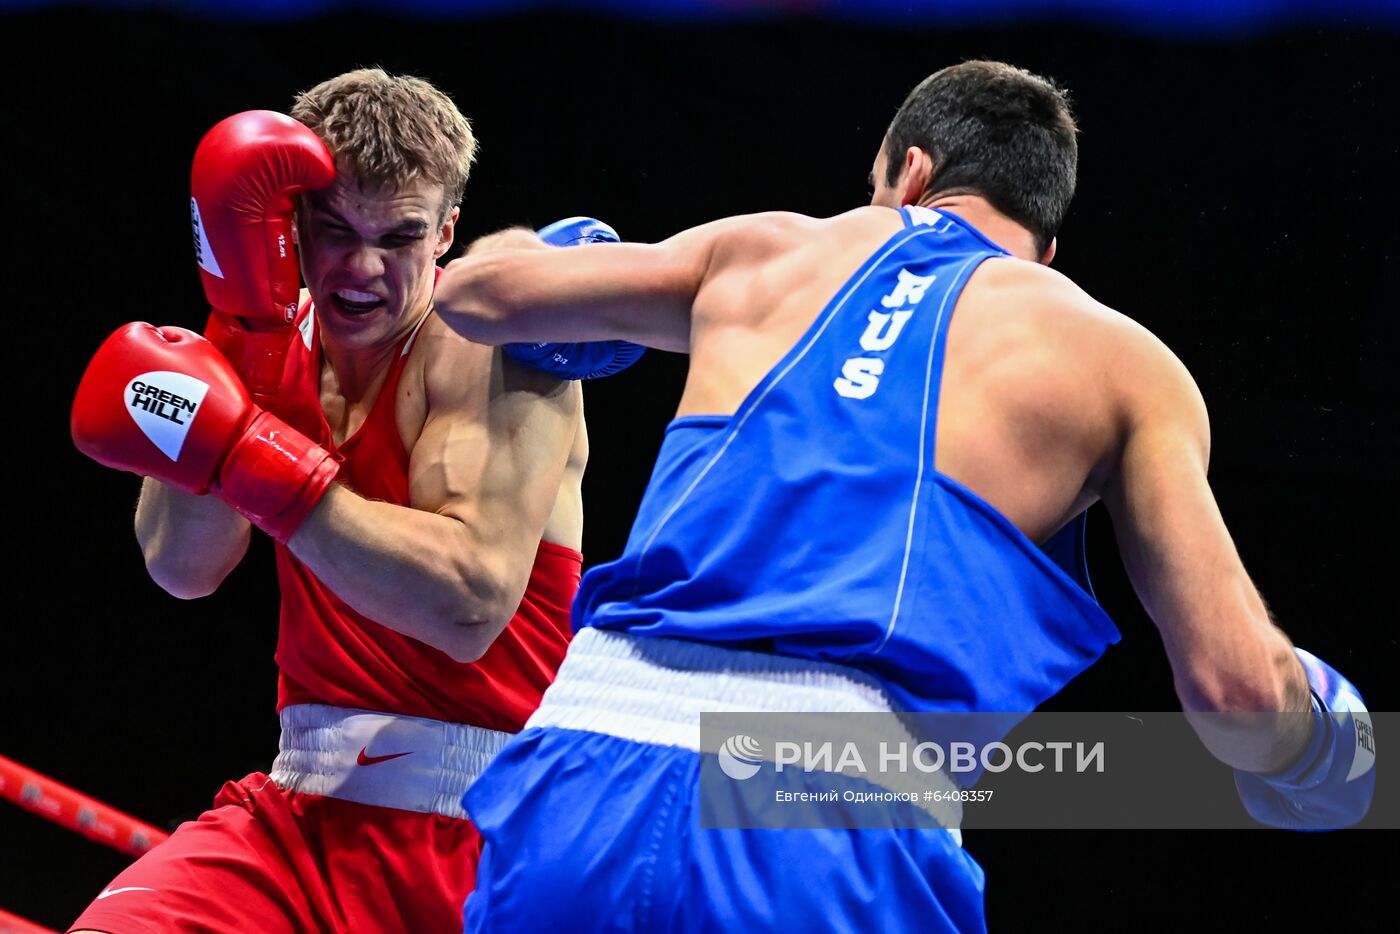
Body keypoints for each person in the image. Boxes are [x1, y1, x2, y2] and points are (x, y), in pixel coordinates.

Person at [432, 60, 1375, 932]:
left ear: (909, 172)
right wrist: (1327, 747)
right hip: (827, 814)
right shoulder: (1121, 360)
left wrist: (578, 264)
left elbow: (473, 293)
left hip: (582, 761)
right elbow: (1238, 697)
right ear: (1046, 248)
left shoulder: (764, 248)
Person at [68, 68, 614, 933]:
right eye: (333, 232)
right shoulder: (264, 335)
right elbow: (180, 568)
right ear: (290, 226)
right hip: (296, 816)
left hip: (480, 836)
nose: (361, 270)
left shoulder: (498, 347)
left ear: (446, 231)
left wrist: (250, 453)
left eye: (398, 237)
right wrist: (243, 346)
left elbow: (467, 603)